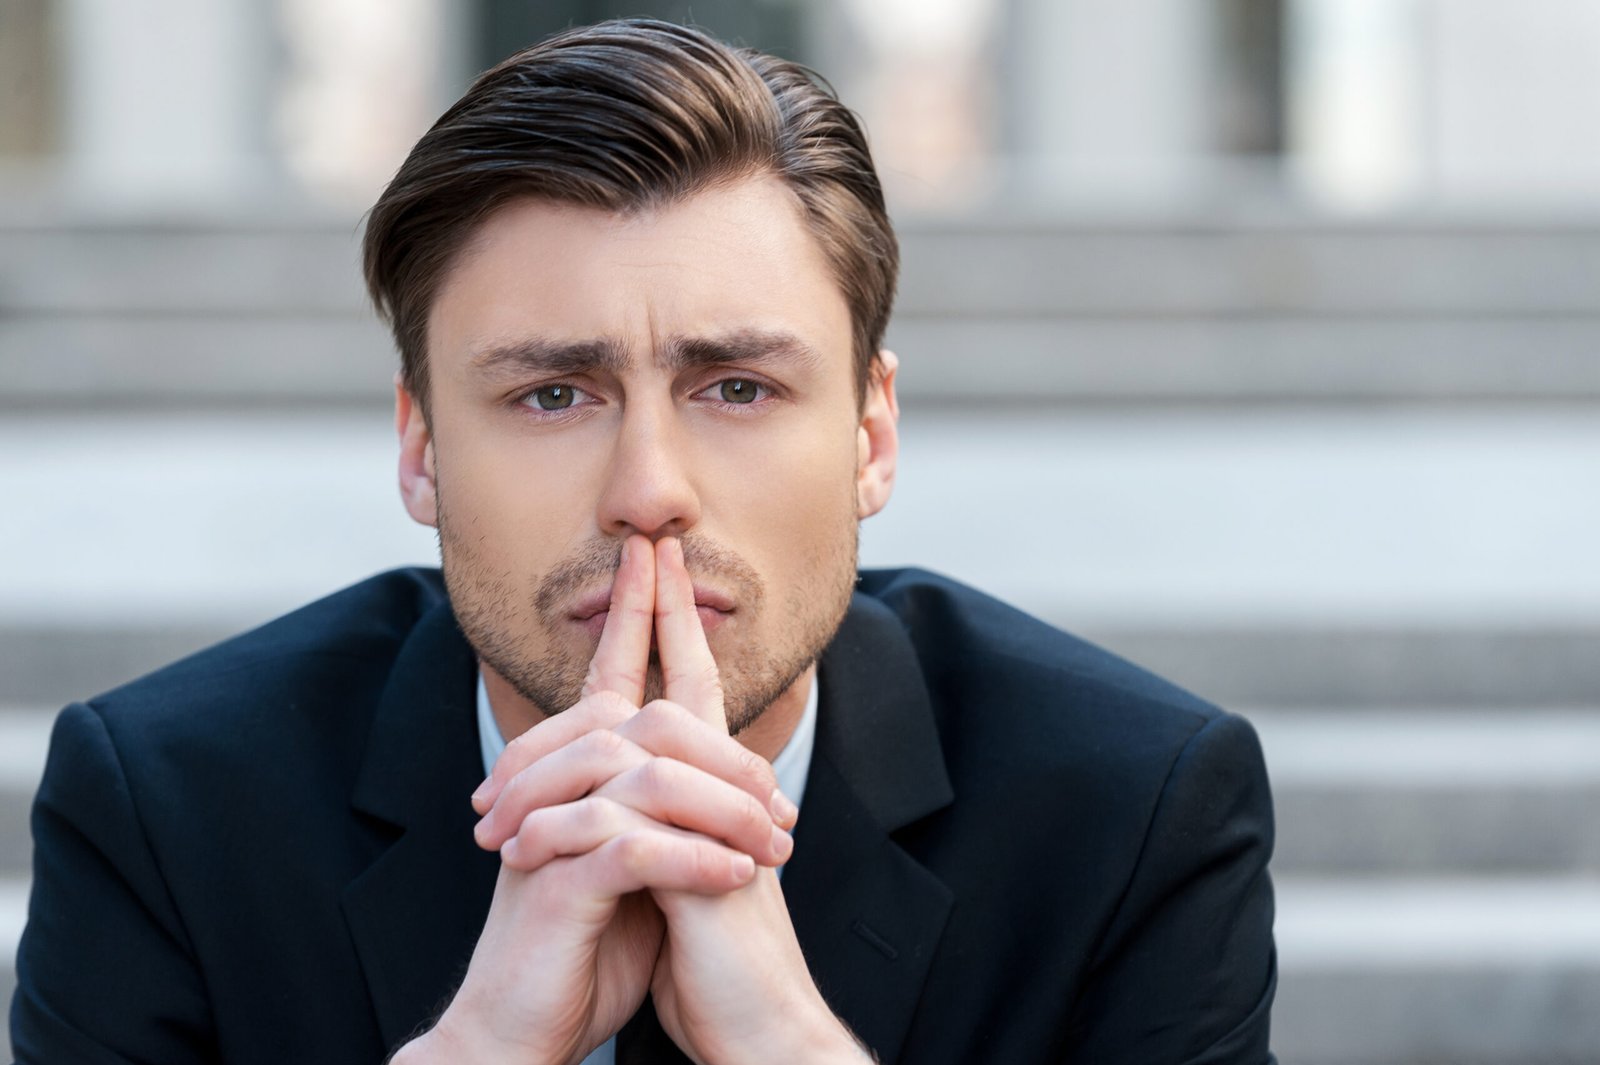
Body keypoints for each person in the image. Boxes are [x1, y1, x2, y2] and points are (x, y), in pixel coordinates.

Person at [10, 18, 1276, 1065]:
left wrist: (789, 1043)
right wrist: (486, 1042)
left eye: (737, 387)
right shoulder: (168, 807)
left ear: (871, 434)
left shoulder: (1132, 810)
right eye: (551, 395)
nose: (649, 492)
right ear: (421, 449)